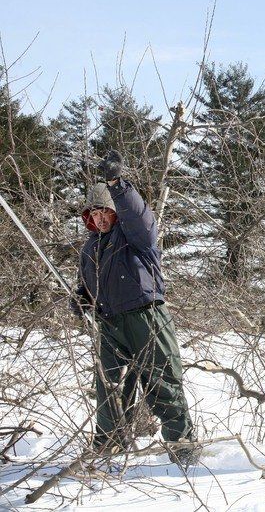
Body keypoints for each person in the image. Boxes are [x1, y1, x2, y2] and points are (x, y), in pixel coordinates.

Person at [71, 150, 197, 464]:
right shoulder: (90, 249)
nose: (99, 218)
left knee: (162, 384)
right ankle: (109, 444)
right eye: (94, 213)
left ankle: (182, 447)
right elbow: (91, 286)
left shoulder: (135, 238)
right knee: (108, 387)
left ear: (116, 212)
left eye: (106, 212)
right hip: (111, 324)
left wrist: (117, 184)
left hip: (146, 318)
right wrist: (83, 297)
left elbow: (139, 215)